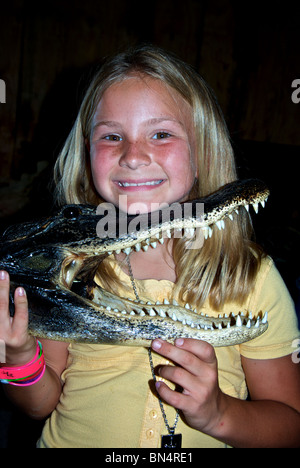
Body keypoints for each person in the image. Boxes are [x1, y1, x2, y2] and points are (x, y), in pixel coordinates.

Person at [0, 45, 299, 448]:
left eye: (161, 134)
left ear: (201, 153)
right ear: (87, 151)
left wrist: (219, 413)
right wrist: (18, 357)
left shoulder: (248, 276)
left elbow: (290, 423)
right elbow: (39, 404)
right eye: (111, 136)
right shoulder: (67, 266)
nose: (133, 155)